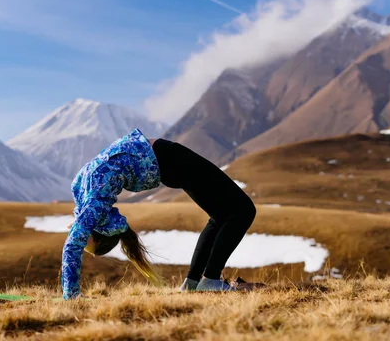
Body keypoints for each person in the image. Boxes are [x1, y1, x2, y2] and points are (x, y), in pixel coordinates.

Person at [60, 128, 257, 300]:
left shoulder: (89, 205)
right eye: (86, 239)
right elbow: (73, 245)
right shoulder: (94, 206)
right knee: (244, 210)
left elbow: (80, 228)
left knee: (221, 216)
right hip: (169, 159)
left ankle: (192, 282)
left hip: (167, 164)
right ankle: (211, 279)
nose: (78, 235)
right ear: (98, 229)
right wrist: (71, 294)